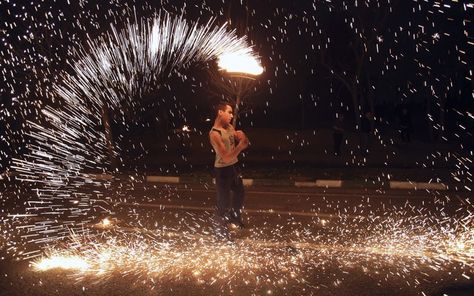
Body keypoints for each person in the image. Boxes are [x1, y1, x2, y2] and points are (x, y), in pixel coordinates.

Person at [209, 102, 249, 240]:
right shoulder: (215, 133)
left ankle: (234, 218)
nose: (232, 115)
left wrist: (243, 137)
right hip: (222, 170)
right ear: (220, 112)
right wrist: (239, 148)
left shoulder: (230, 127)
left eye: (232, 113)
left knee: (240, 193)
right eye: (229, 112)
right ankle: (221, 233)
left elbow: (245, 141)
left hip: (234, 167)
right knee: (223, 203)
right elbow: (225, 157)